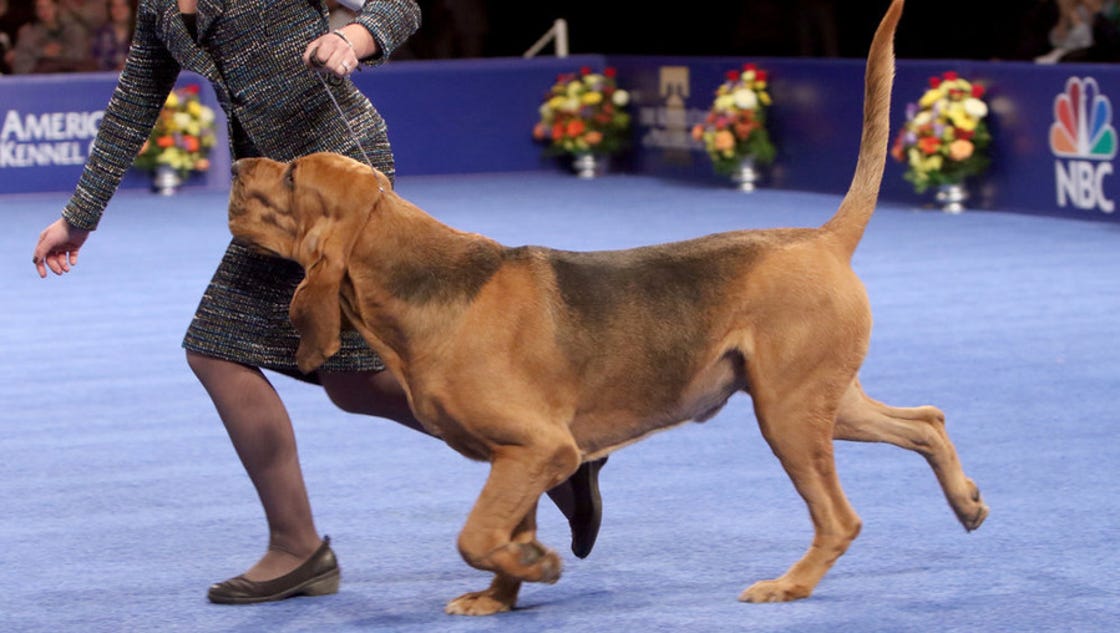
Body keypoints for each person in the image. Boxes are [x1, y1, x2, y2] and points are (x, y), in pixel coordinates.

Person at [32, 0, 605, 605]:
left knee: (215, 350)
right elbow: (132, 107)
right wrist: (80, 218)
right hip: (279, 194)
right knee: (352, 384)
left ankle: (298, 547)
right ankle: (547, 452)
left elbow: (399, 7)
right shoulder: (156, 6)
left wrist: (355, 37)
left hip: (338, 184)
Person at [8, 0, 91, 74]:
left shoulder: (74, 30)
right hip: (40, 84)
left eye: (48, 6)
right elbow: (21, 66)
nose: (45, 11)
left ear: (56, 7)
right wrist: (42, 52)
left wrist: (60, 52)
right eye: (40, 8)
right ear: (36, 11)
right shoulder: (28, 35)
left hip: (73, 79)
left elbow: (80, 55)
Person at [88, 0, 133, 71]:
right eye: (114, 6)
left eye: (123, 5)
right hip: (105, 80)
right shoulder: (100, 34)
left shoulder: (141, 36)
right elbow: (93, 63)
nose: (119, 10)